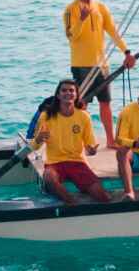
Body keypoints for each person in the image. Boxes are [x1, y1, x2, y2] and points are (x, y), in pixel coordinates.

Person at [62, 0, 136, 147]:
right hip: (81, 65)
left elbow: (113, 31)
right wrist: (81, 20)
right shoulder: (70, 9)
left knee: (106, 103)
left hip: (102, 64)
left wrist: (126, 52)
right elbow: (72, 37)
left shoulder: (101, 7)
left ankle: (110, 141)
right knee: (81, 105)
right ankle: (81, 143)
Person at [30, 77, 113, 205]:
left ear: (76, 95)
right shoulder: (46, 116)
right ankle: (72, 204)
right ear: (58, 95)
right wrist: (39, 139)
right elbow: (34, 146)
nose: (68, 93)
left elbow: (89, 146)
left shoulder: (83, 116)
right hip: (54, 163)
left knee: (102, 196)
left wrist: (91, 150)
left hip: (77, 162)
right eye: (64, 90)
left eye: (71, 90)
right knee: (48, 178)